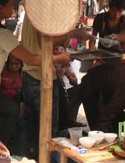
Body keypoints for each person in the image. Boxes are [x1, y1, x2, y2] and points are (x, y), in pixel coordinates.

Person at [0, 0, 71, 144]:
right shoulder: (1, 34)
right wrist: (59, 58)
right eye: (11, 3)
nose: (13, 6)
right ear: (0, 8)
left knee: (11, 110)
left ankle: (1, 148)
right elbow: (31, 59)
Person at [17, 13, 91, 158]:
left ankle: (24, 158)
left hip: (30, 74)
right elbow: (42, 41)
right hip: (41, 76)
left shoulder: (32, 11)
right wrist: (74, 33)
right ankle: (43, 159)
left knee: (29, 127)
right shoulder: (40, 13)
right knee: (49, 130)